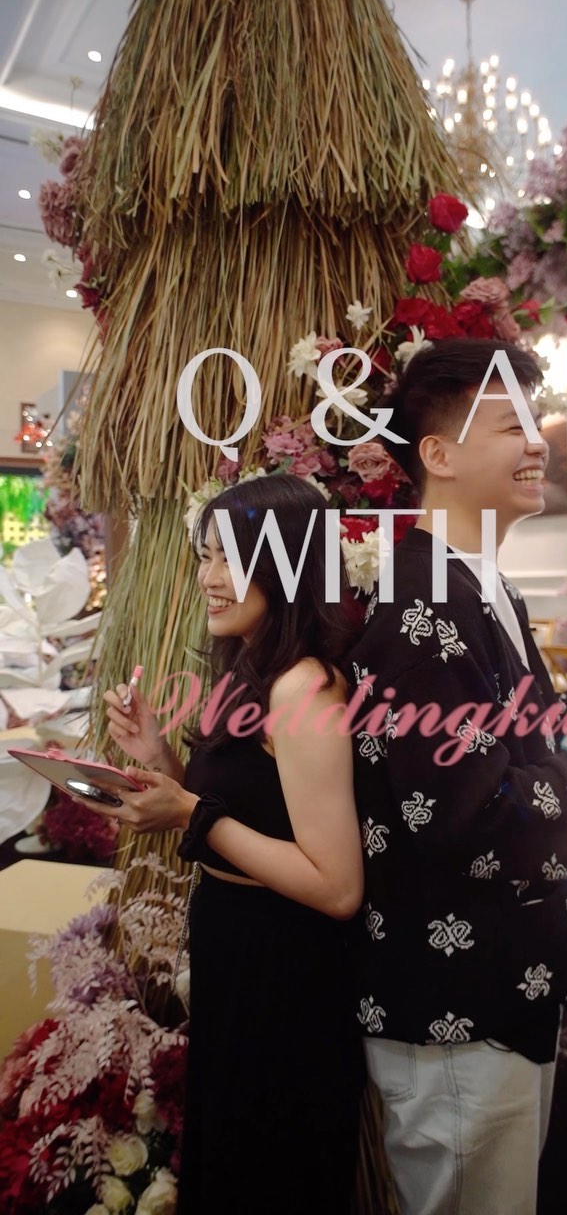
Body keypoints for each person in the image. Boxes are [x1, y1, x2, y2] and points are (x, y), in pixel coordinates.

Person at [346, 337, 567, 1215]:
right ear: (438, 454)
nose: (539, 443)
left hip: (503, 985)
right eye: (511, 427)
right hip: (457, 1000)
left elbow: (512, 735)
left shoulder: (479, 586)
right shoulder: (421, 603)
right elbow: (468, 813)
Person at [93, 475, 366, 1214]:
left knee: (269, 1170)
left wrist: (191, 814)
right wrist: (160, 758)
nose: (209, 578)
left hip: (285, 971)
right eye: (205, 556)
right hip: (235, 947)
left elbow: (338, 887)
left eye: (230, 558)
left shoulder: (304, 687)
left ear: (286, 565)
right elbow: (248, 811)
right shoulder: (250, 667)